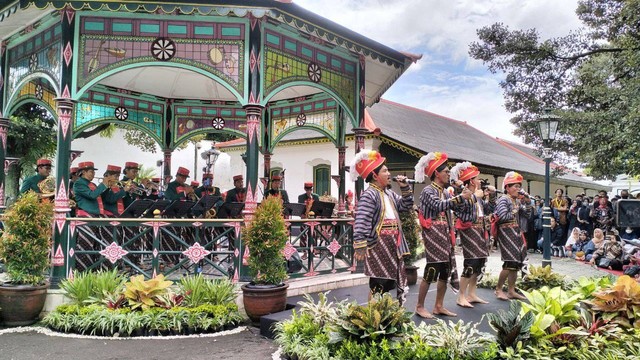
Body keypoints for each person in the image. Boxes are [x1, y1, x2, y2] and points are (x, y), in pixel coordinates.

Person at [414, 152, 472, 318]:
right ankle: (419, 306)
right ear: (436, 173)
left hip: (445, 233)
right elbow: (437, 205)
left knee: (445, 271)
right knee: (432, 269)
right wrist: (460, 198)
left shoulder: (446, 192)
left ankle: (438, 305)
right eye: (446, 171)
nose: (448, 174)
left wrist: (466, 197)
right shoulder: (427, 191)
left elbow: (460, 209)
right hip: (433, 234)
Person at [352, 149, 413, 305]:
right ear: (375, 175)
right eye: (385, 171)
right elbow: (362, 219)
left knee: (389, 282)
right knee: (379, 282)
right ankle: (372, 317)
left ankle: (381, 315)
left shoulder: (390, 194)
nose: (388, 173)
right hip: (378, 245)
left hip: (393, 243)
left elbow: (406, 206)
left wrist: (405, 188)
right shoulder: (369, 194)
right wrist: (360, 243)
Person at [450, 161, 495, 308]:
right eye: (476, 178)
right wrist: (476, 196)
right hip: (469, 230)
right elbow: (463, 208)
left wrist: (490, 196)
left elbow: (488, 209)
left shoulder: (478, 195)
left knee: (480, 262)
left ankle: (472, 293)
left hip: (480, 230)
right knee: (471, 262)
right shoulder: (463, 195)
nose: (479, 181)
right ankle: (461, 296)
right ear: (470, 181)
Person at [494, 171, 531, 301]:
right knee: (509, 261)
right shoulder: (503, 199)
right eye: (515, 186)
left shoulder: (516, 201)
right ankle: (498, 289)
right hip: (506, 232)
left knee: (516, 263)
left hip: (516, 232)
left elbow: (527, 215)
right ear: (507, 188)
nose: (518, 189)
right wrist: (516, 209)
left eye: (519, 186)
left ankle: (511, 290)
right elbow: (503, 216)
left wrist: (527, 202)